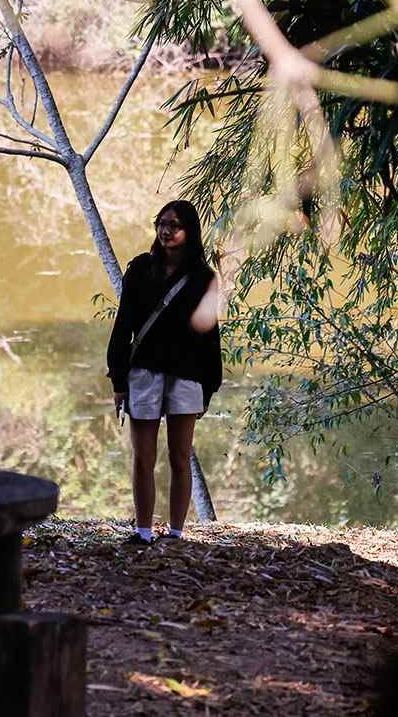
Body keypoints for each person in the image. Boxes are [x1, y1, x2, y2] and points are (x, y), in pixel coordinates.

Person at [105, 199, 222, 545]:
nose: (166, 231)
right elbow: (123, 324)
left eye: (174, 225)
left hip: (187, 376)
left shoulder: (203, 278)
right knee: (143, 457)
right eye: (162, 224)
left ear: (190, 232)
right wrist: (118, 378)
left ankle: (176, 533)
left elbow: (210, 337)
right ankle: (142, 531)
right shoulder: (140, 269)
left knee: (179, 458)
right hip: (144, 373)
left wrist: (209, 386)